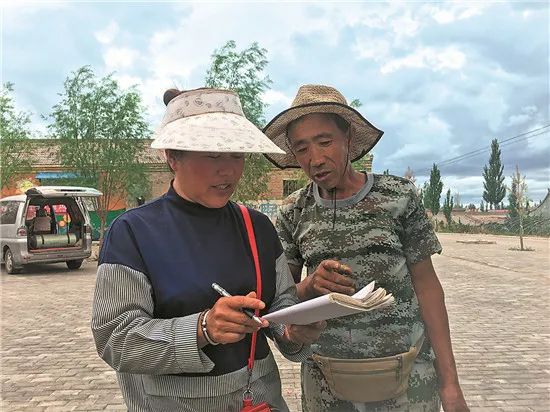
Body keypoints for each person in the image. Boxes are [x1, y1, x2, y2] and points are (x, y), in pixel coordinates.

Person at [91, 87, 325, 412]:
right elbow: (115, 338)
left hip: (259, 401)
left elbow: (279, 304)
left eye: (237, 155)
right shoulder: (133, 232)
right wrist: (203, 328)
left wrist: (293, 328)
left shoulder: (257, 227)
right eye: (213, 155)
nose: (228, 170)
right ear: (173, 156)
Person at [263, 85, 469, 411]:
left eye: (325, 141)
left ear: (347, 136)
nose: (315, 159)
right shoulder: (293, 211)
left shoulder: (398, 197)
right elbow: (280, 301)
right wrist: (311, 286)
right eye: (301, 148)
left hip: (408, 377)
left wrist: (450, 384)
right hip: (328, 384)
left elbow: (428, 289)